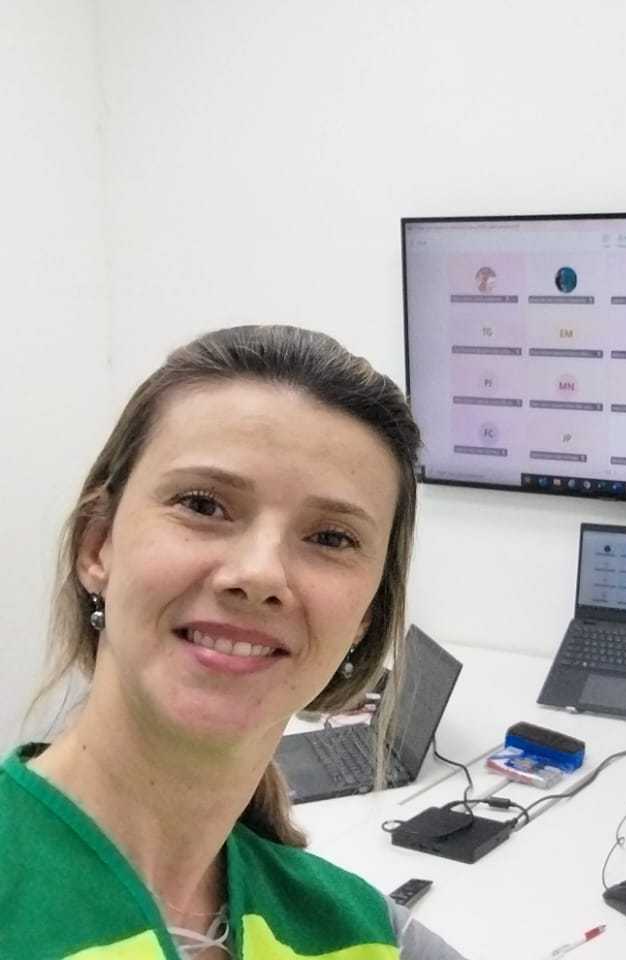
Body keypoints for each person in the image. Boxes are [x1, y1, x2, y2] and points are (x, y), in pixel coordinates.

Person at [0, 326, 465, 959]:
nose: (259, 575)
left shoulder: (370, 937)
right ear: (97, 545)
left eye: (331, 538)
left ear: (366, 616)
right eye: (203, 505)